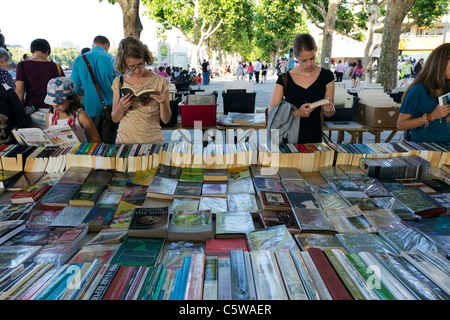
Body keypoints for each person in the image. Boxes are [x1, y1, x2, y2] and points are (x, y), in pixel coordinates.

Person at [268, 33, 335, 144]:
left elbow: (329, 114)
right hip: (287, 138)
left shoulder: (327, 76)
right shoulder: (284, 78)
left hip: (314, 139)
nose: (309, 64)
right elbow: (272, 113)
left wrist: (330, 108)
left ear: (316, 51)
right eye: (304, 60)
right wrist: (298, 113)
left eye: (312, 58)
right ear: (296, 56)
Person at [111, 36, 171, 145]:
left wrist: (163, 103)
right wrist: (121, 108)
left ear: (145, 58)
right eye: (132, 67)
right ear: (124, 64)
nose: (137, 70)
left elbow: (166, 120)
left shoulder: (160, 81)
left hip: (152, 142)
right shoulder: (119, 82)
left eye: (140, 64)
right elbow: (115, 119)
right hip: (124, 142)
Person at [397, 43, 450, 143]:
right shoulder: (418, 90)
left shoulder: (447, 88)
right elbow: (401, 125)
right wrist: (432, 116)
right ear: (441, 63)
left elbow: (441, 123)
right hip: (421, 147)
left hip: (443, 145)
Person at [71, 35, 117, 143]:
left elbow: (75, 88)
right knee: (109, 143)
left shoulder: (79, 60)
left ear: (92, 45)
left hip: (90, 109)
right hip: (111, 109)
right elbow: (120, 86)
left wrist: (87, 92)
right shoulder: (113, 59)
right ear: (107, 46)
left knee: (92, 143)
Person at [15, 38, 65, 129]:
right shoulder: (56, 67)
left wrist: (17, 112)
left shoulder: (22, 65)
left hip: (31, 111)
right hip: (54, 111)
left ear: (32, 51)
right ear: (47, 52)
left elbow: (19, 90)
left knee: (34, 140)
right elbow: (64, 90)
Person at [44, 77, 100, 143]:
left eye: (59, 102)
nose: (55, 105)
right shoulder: (49, 115)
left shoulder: (80, 116)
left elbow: (96, 139)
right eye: (52, 101)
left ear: (71, 99)